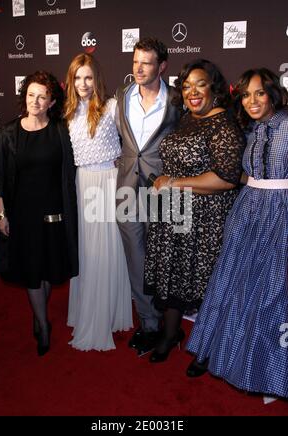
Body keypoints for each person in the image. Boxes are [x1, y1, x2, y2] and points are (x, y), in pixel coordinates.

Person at [186, 68, 288, 399]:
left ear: (273, 93)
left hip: (280, 215)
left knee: (272, 293)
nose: (252, 101)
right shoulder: (253, 129)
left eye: (259, 93)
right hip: (248, 215)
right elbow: (248, 175)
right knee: (238, 288)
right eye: (245, 95)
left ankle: (269, 372)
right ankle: (234, 358)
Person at [144, 59, 245, 363]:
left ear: (214, 87)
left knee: (206, 284)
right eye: (186, 86)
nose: (192, 92)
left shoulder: (225, 125)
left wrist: (173, 183)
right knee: (175, 277)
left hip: (206, 220)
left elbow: (226, 179)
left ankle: (208, 349)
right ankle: (171, 334)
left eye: (200, 84)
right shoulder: (187, 118)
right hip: (176, 213)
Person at [0, 71, 78, 356]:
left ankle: (39, 313)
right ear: (24, 96)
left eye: (42, 96)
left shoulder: (61, 131)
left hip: (54, 212)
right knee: (31, 272)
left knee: (49, 272)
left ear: (52, 101)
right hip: (22, 214)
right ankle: (42, 324)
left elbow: (77, 164)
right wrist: (1, 215)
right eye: (31, 94)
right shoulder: (9, 133)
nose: (35, 101)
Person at [115, 37, 180, 356]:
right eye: (135, 61)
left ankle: (169, 324)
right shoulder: (121, 95)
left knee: (164, 258)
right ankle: (149, 324)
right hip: (127, 186)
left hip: (162, 188)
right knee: (136, 258)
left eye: (146, 62)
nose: (138, 68)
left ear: (162, 66)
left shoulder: (177, 101)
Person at [65, 53, 133, 351]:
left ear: (97, 78)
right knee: (87, 251)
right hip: (82, 184)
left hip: (107, 182)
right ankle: (86, 310)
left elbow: (132, 143)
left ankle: (106, 315)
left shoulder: (112, 106)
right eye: (78, 77)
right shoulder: (67, 112)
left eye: (88, 77)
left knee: (107, 250)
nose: (83, 83)